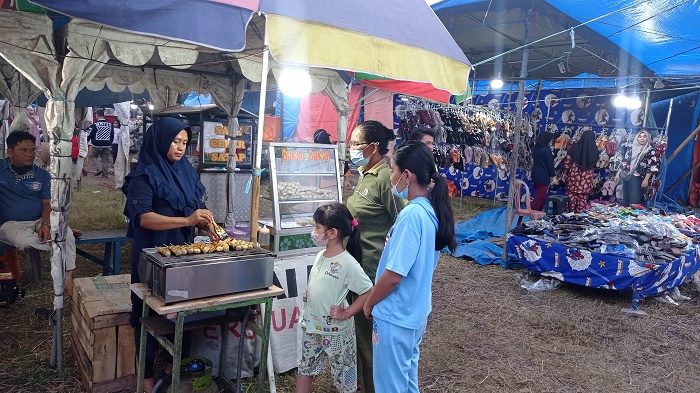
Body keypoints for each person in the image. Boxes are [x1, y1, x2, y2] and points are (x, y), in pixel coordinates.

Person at [122, 117, 220, 393]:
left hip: (181, 253)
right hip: (152, 254)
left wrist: (203, 222)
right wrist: (188, 221)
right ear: (160, 140)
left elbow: (191, 208)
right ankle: (146, 377)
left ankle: (174, 366)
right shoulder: (144, 174)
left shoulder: (185, 170)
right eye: (175, 142)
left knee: (180, 310)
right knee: (148, 314)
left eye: (185, 143)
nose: (180, 148)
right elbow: (143, 218)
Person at [362, 141, 457, 392]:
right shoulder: (430, 211)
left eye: (393, 171)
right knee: (405, 382)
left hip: (396, 315)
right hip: (414, 312)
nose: (391, 178)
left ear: (407, 175)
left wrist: (370, 302)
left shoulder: (412, 215)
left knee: (390, 386)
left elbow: (394, 275)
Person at [345, 120, 404, 393]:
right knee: (359, 334)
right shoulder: (364, 173)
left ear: (374, 147)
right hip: (356, 265)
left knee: (369, 339)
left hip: (373, 270)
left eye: (357, 143)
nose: (352, 147)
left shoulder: (384, 178)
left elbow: (400, 222)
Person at [296, 203, 373, 393]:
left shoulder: (348, 263)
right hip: (312, 326)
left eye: (317, 227)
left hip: (337, 333)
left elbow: (368, 291)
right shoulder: (321, 255)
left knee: (344, 377)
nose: (314, 232)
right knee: (305, 369)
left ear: (332, 233)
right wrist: (311, 294)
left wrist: (347, 313)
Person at [0, 131, 78, 296]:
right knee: (24, 239)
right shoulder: (1, 169)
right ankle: (58, 246)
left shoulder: (41, 174)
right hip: (10, 224)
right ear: (10, 152)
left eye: (32, 150)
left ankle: (68, 279)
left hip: (38, 221)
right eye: (23, 150)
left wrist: (46, 224)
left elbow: (47, 203)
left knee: (67, 234)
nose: (30, 154)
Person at [615, 130, 659, 206]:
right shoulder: (631, 149)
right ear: (636, 138)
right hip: (628, 176)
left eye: (644, 137)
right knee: (626, 198)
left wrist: (646, 179)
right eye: (640, 137)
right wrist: (618, 174)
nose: (642, 138)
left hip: (640, 178)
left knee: (634, 200)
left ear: (648, 139)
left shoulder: (650, 151)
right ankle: (625, 216)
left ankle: (633, 215)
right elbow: (624, 161)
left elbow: (651, 166)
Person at [562, 130, 598, 213]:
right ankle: (578, 218)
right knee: (582, 201)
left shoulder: (575, 148)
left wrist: (565, 173)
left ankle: (568, 217)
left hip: (573, 179)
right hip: (586, 181)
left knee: (570, 201)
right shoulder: (595, 151)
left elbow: (567, 163)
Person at [530, 132, 558, 211]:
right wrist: (553, 176)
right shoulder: (546, 149)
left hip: (535, 173)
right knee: (540, 197)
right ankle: (535, 213)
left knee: (537, 194)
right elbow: (549, 164)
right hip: (543, 175)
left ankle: (534, 211)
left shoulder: (535, 148)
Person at [87, 109, 114, 177]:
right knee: (105, 160)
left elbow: (90, 134)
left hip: (97, 144)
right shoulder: (109, 124)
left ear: (97, 115)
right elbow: (112, 135)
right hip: (107, 144)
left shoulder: (95, 125)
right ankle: (105, 174)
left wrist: (87, 141)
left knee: (92, 156)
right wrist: (110, 142)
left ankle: (99, 168)